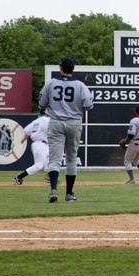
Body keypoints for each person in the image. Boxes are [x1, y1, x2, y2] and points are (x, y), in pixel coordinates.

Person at [38, 57, 94, 203]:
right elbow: (88, 106)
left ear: (60, 67)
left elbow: (42, 104)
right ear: (73, 69)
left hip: (56, 122)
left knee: (55, 159)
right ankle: (69, 194)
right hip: (74, 122)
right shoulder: (81, 85)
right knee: (71, 158)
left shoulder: (51, 83)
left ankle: (53, 191)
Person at [12, 111, 50, 185]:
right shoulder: (46, 120)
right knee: (38, 166)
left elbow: (27, 131)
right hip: (41, 144)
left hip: (38, 144)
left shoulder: (35, 121)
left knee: (54, 158)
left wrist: (24, 139)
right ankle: (19, 177)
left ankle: (50, 177)